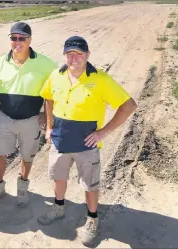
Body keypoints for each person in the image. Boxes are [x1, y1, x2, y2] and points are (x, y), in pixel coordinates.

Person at [37, 36, 137, 246]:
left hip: (87, 145)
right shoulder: (56, 75)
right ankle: (58, 207)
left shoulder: (101, 79)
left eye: (78, 53)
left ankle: (92, 218)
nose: (73, 58)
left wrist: (104, 132)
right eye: (69, 53)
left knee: (90, 184)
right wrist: (49, 127)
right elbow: (48, 98)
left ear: (87, 55)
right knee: (59, 177)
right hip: (59, 141)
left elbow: (129, 105)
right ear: (64, 55)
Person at [0, 22, 58, 207]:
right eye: (13, 38)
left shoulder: (45, 63)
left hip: (31, 120)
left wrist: (47, 116)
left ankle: (22, 187)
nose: (17, 42)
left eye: (22, 38)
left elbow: (56, 90)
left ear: (30, 40)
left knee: (27, 155)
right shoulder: (1, 62)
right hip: (5, 118)